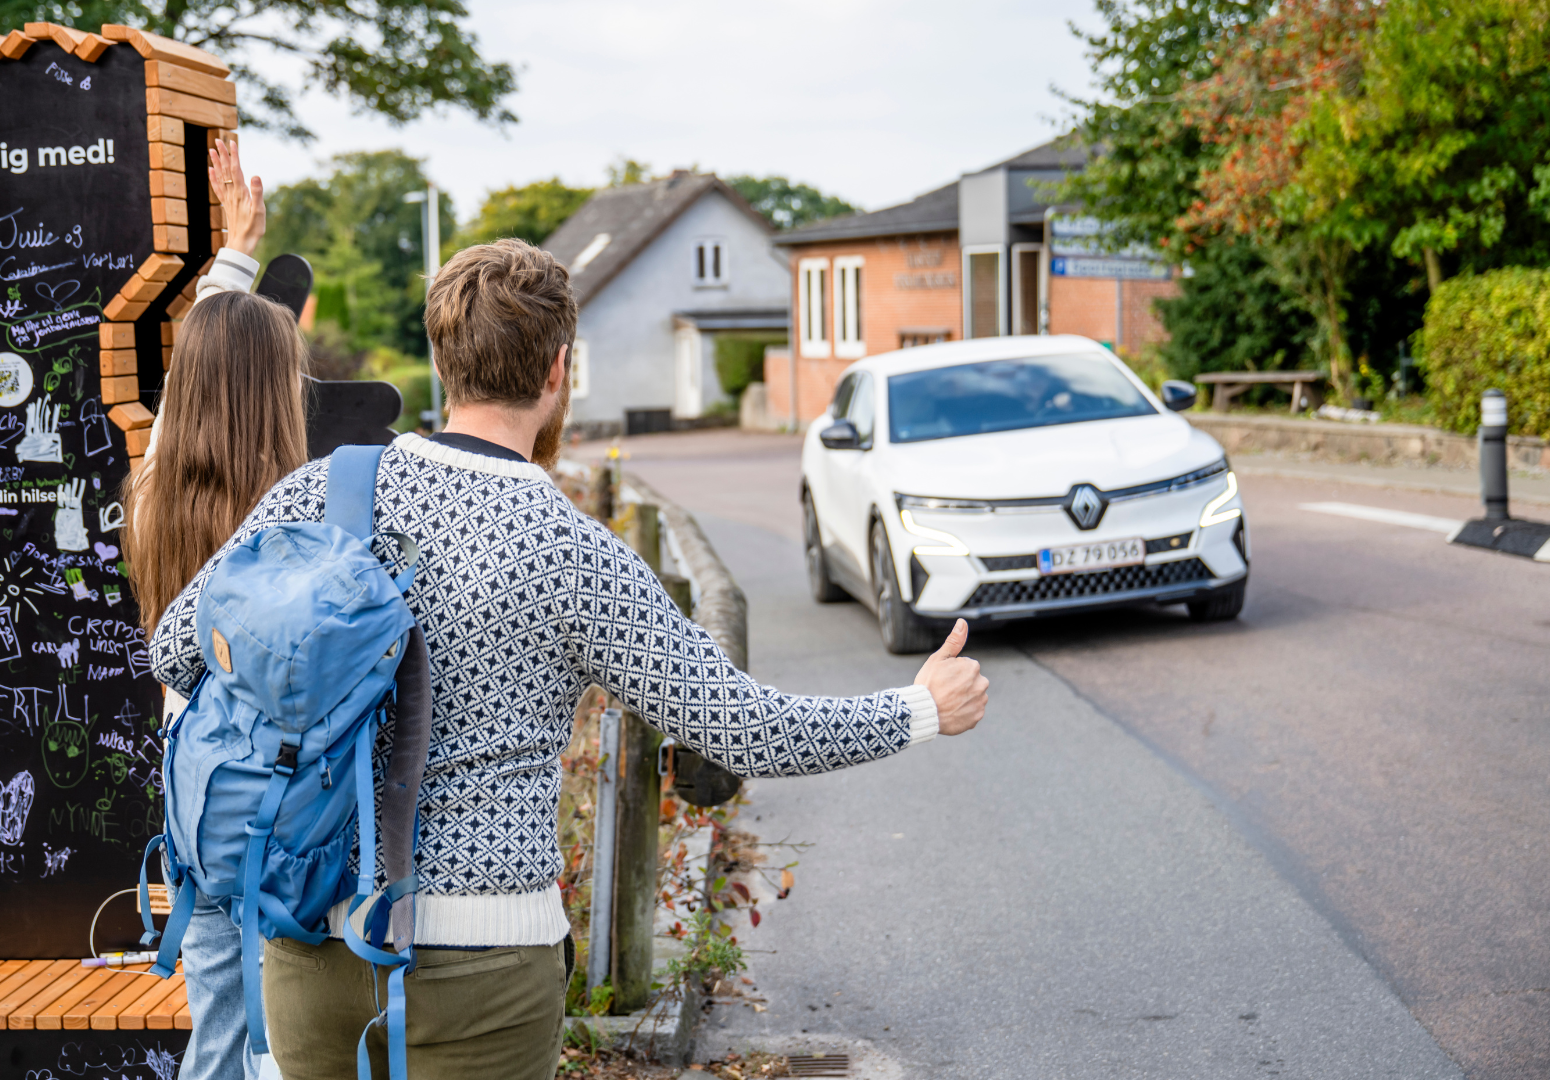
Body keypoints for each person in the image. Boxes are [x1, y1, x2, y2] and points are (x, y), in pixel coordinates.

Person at [147, 239, 991, 1079]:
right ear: (560, 370)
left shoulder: (320, 493)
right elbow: (745, 729)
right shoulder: (574, 553)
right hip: (484, 970)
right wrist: (919, 709)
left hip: (311, 944)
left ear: (441, 361)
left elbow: (175, 650)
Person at [123, 137, 297, 1080]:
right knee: (292, 1030)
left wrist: (235, 254)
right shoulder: (299, 516)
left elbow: (195, 369)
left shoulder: (152, 492)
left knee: (219, 1023)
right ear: (278, 394)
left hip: (194, 788)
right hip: (291, 797)